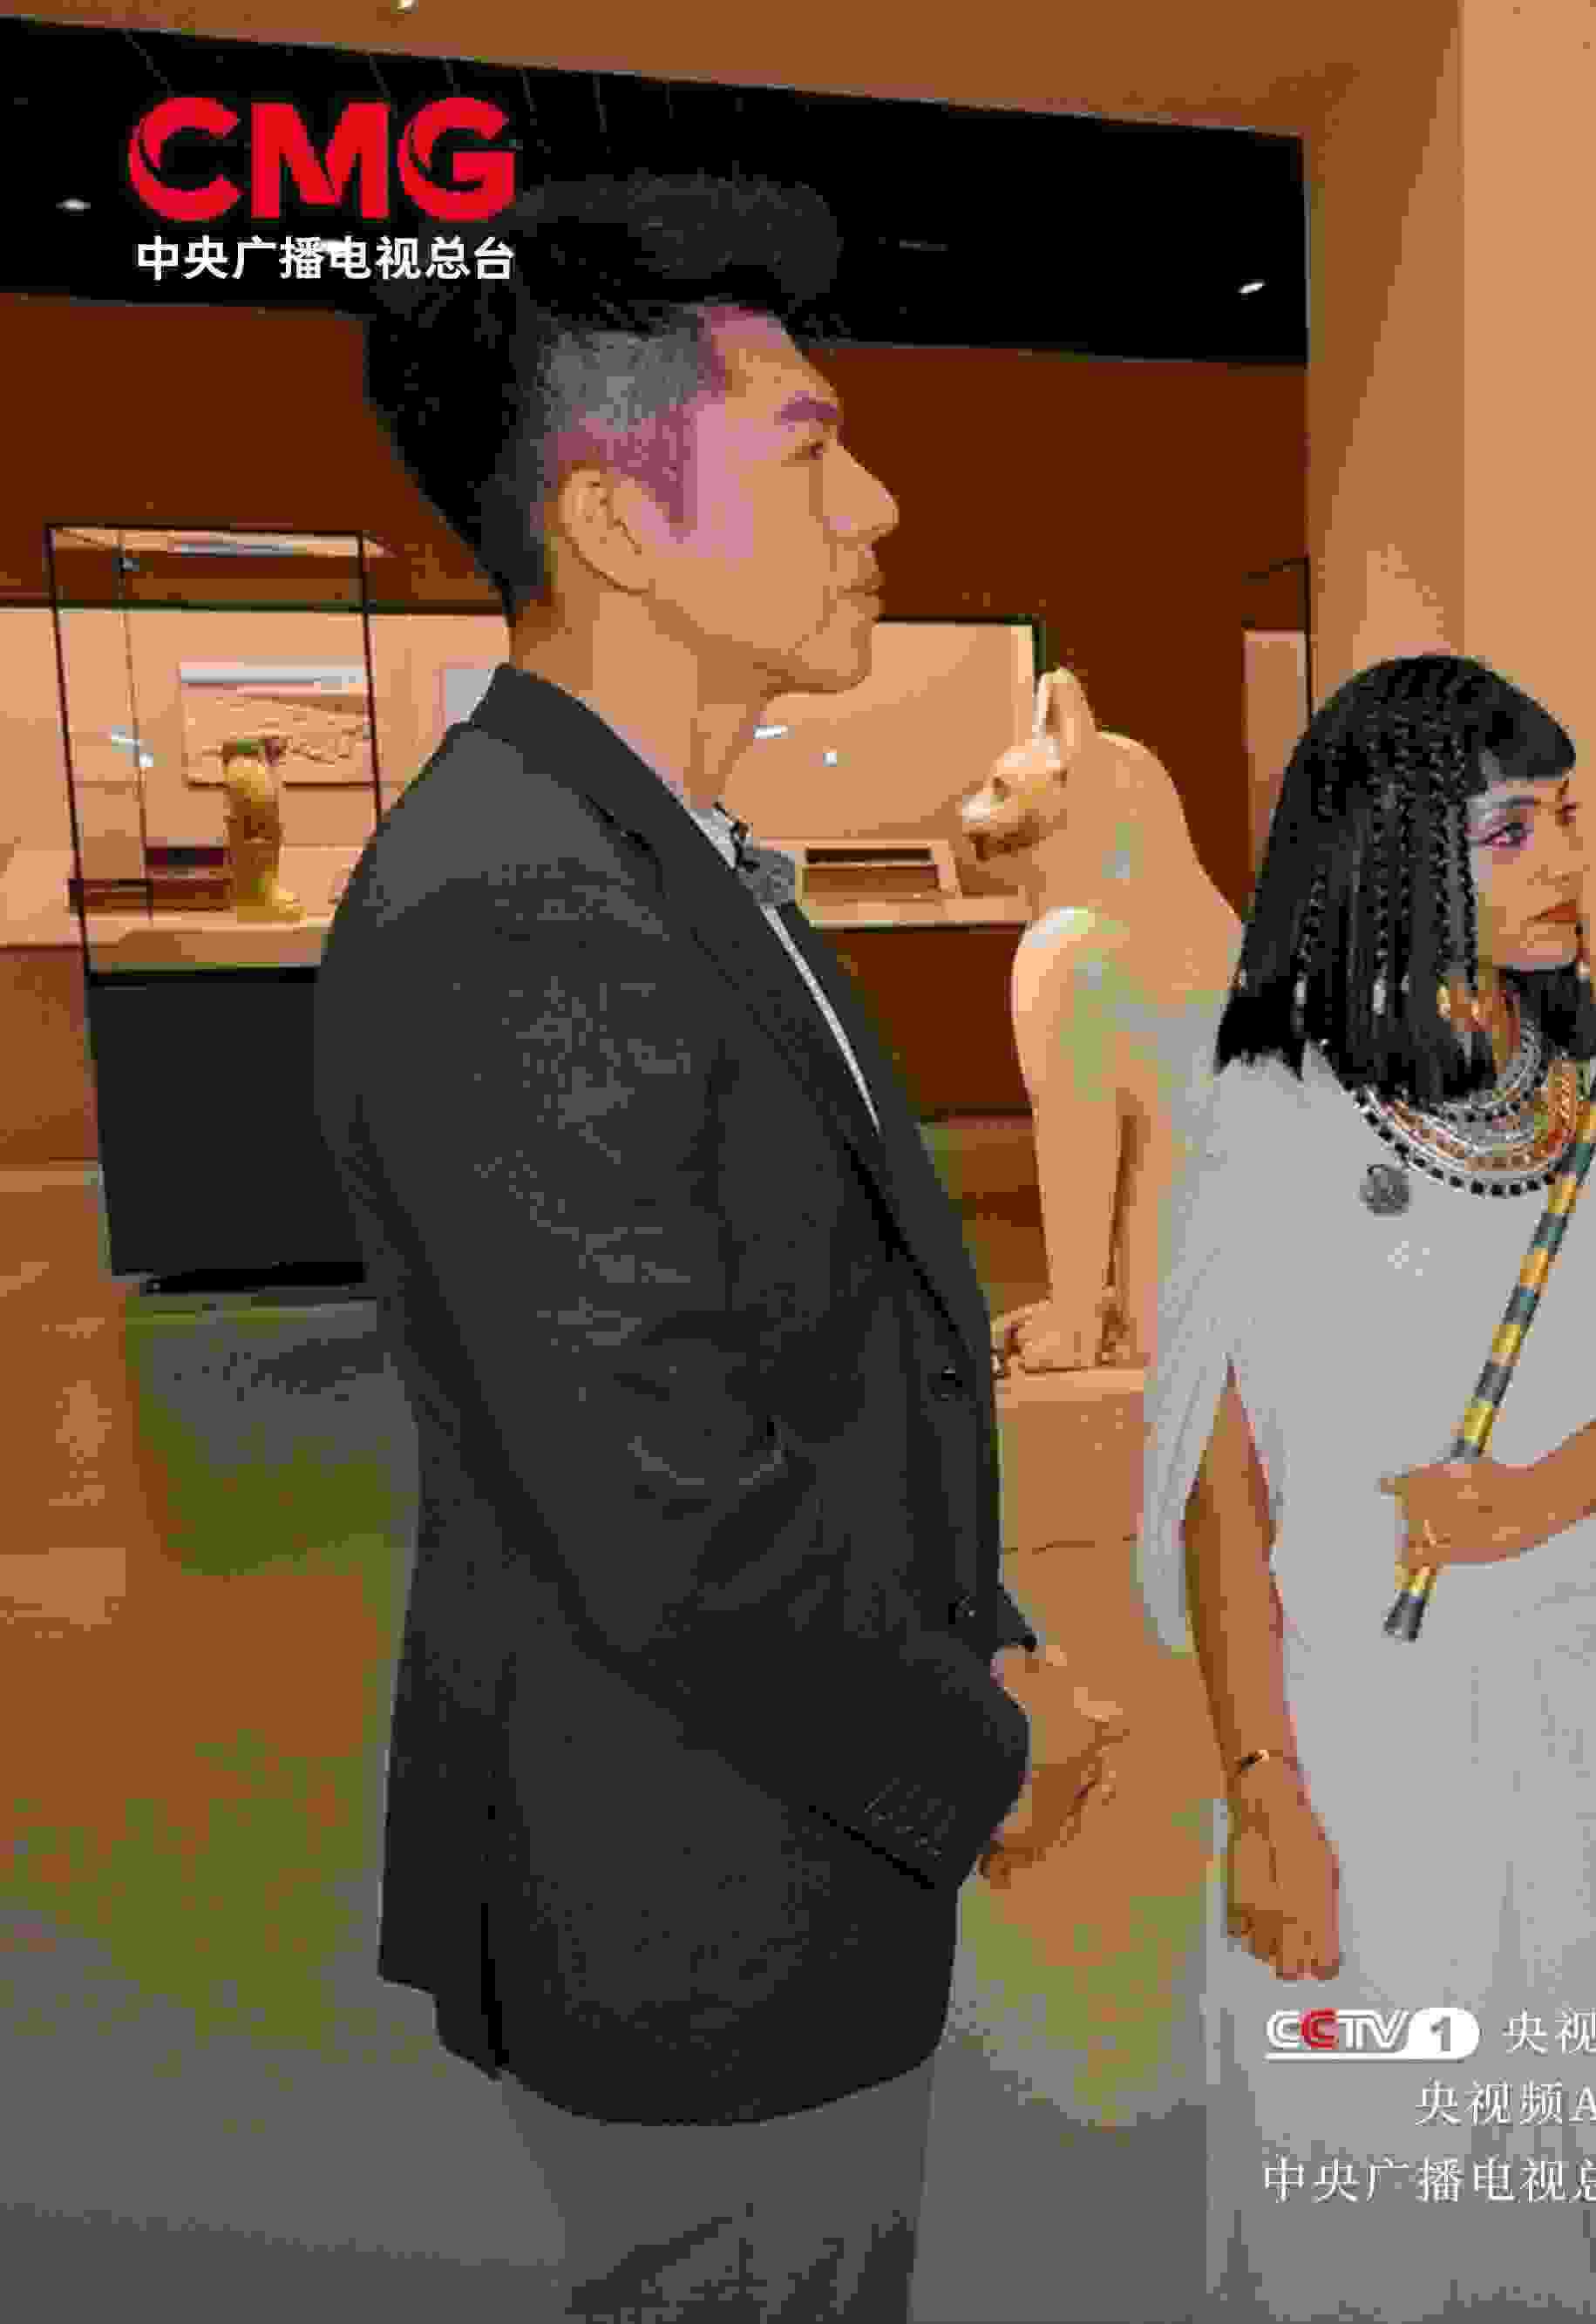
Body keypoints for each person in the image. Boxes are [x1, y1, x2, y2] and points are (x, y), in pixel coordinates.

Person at [318, 173, 1117, 2322]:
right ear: (611, 520)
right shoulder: (526, 902)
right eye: (807, 448)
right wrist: (983, 1749)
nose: (877, 503)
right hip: (694, 1884)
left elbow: (808, 1359)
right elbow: (669, 1504)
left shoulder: (638, 850)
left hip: (753, 1832)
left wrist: (978, 1626)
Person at [1134, 654, 1596, 2321]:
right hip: (1362, 1738)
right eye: (1514, 830)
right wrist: (1265, 1795)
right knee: (1388, 2140)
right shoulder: (1267, 1110)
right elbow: (1220, 1485)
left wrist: (1541, 1500)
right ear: (1394, 848)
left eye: (1571, 818)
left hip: (1594, 1715)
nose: (1569, 861)